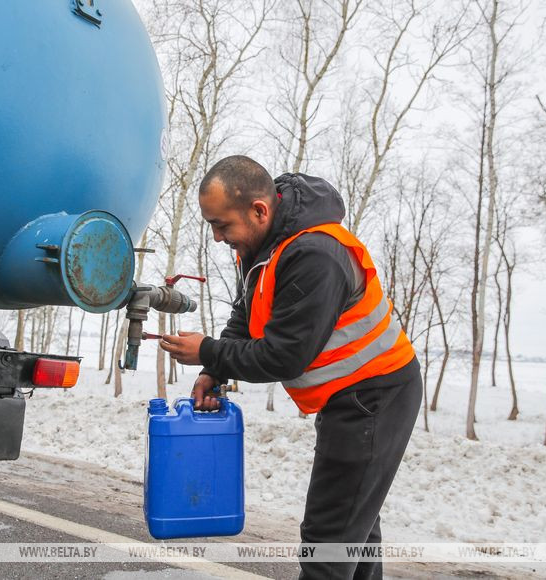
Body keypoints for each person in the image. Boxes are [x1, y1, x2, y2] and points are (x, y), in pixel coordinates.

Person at [160, 155, 422, 579]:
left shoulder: (316, 255)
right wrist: (216, 369)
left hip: (375, 397)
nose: (215, 237)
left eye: (222, 225)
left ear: (260, 210)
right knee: (352, 530)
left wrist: (207, 350)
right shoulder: (266, 244)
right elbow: (246, 314)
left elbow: (283, 356)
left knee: (328, 540)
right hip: (352, 395)